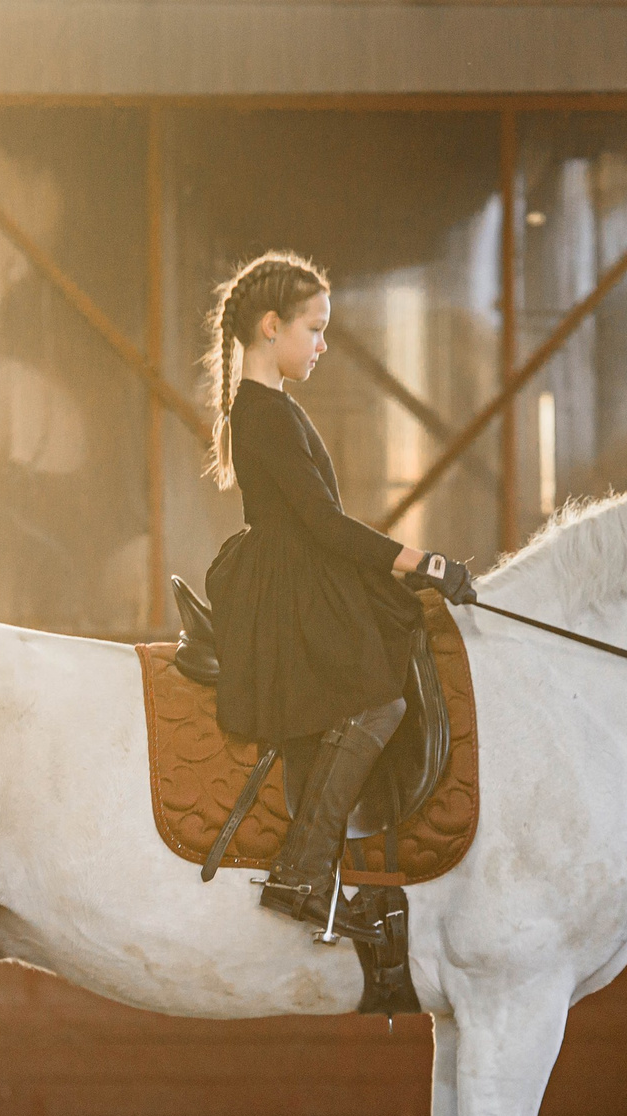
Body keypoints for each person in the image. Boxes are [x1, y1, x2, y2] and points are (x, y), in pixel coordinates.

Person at [199, 250, 455, 934]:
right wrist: (419, 562)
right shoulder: (265, 413)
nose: (322, 343)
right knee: (379, 699)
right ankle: (304, 869)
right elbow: (321, 523)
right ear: (269, 327)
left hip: (301, 571)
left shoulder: (270, 407)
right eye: (314, 328)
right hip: (290, 584)